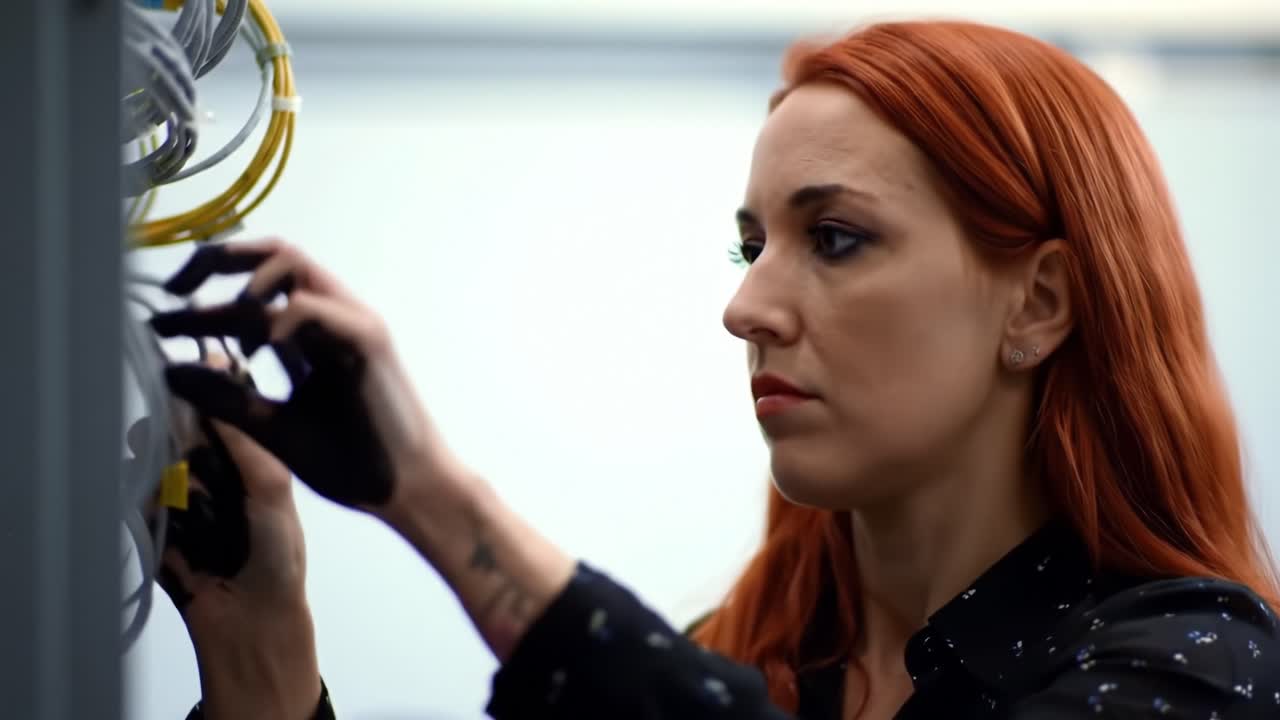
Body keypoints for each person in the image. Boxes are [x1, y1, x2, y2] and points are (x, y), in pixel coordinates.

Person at [146, 19, 1280, 720]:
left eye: (834, 238)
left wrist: (434, 501)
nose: (744, 307)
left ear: (1037, 304)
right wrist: (260, 643)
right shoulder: (733, 665)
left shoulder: (1204, 671)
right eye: (752, 247)